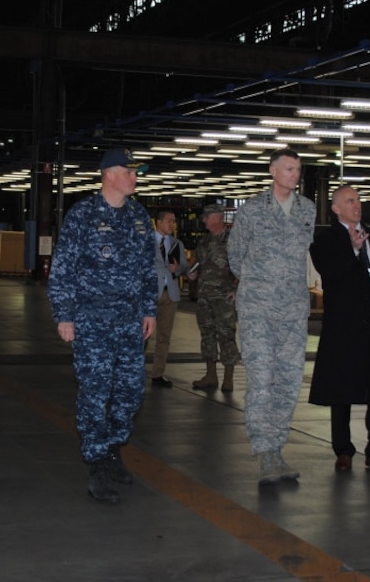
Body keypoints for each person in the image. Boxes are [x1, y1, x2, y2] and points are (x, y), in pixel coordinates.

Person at [48, 148, 158, 504]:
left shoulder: (140, 216)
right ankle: (96, 462)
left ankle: (112, 449)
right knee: (95, 393)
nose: (135, 176)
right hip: (91, 322)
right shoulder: (82, 215)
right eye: (130, 171)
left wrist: (149, 309)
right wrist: (64, 315)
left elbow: (147, 269)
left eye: (136, 172)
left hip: (129, 322)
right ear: (110, 174)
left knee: (130, 393)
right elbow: (62, 268)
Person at [227, 148, 316, 485]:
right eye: (290, 168)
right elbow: (235, 255)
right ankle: (265, 453)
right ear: (273, 171)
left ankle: (278, 447)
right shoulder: (252, 210)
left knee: (289, 382)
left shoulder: (307, 209)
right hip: (258, 310)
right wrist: (260, 282)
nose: (295, 174)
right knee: (262, 380)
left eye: (298, 169)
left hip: (294, 309)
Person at [308, 186, 370, 473]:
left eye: (358, 200)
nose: (356, 205)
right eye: (350, 201)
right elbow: (331, 277)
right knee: (341, 392)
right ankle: (343, 450)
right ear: (336, 208)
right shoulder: (324, 241)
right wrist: (354, 251)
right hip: (344, 328)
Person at [188, 204, 240, 392]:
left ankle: (228, 378)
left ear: (217, 218)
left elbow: (245, 268)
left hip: (224, 298)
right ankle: (211, 375)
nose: (203, 220)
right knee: (207, 335)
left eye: (206, 217)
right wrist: (192, 274)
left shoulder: (233, 241)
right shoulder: (204, 242)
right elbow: (198, 264)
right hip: (204, 297)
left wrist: (237, 289)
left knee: (226, 336)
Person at [151, 209, 185, 388]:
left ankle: (158, 374)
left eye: (174, 221)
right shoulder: (145, 242)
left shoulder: (176, 244)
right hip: (149, 294)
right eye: (169, 221)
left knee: (164, 336)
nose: (172, 224)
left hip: (170, 294)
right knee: (141, 336)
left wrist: (178, 269)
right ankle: (131, 373)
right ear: (158, 222)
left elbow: (183, 268)